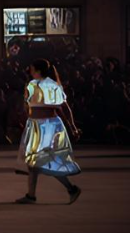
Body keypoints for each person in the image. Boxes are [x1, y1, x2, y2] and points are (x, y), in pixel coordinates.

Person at [15, 59, 82, 204]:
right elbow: (62, 107)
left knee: (41, 161)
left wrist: (72, 126)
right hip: (40, 125)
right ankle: (32, 194)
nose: (30, 71)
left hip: (45, 127)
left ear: (38, 70)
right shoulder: (41, 85)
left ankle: (69, 189)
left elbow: (62, 107)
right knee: (37, 162)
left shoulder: (44, 85)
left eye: (32, 69)